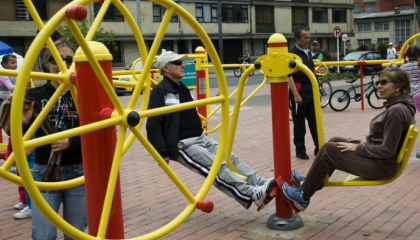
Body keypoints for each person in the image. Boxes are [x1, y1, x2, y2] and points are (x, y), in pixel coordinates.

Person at [146, 50, 276, 210]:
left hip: (200, 137)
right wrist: (162, 152)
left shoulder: (181, 87)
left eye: (182, 62)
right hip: (183, 144)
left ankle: (260, 182)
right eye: (178, 63)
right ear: (166, 68)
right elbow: (152, 124)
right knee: (217, 167)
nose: (182, 65)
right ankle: (250, 193)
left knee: (231, 158)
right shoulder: (160, 91)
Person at [282, 68, 416, 211]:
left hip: (382, 166)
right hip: (381, 161)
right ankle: (313, 182)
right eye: (378, 82)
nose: (379, 86)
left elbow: (387, 150)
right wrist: (367, 140)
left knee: (329, 150)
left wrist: (357, 148)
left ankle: (303, 197)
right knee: (335, 140)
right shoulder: (399, 106)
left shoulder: (396, 111)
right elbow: (387, 136)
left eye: (384, 82)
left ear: (398, 86)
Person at [22, 39, 86, 240]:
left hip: (78, 171)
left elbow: (98, 132)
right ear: (46, 63)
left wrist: (72, 141)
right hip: (45, 170)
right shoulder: (34, 94)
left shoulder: (84, 94)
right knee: (43, 234)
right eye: (56, 60)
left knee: (75, 233)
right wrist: (23, 123)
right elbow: (18, 132)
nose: (64, 65)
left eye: (69, 60)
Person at [288, 28, 319, 160]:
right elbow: (288, 76)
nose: (308, 40)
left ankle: (319, 147)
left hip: (310, 89)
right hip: (299, 89)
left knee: (314, 121)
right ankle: (300, 150)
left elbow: (312, 72)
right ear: (297, 39)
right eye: (305, 38)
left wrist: (317, 92)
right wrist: (295, 94)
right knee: (299, 122)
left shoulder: (308, 53)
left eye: (309, 37)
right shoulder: (291, 54)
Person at [400, 45, 420, 157]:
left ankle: (402, 144)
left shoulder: (403, 68)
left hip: (408, 97)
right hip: (419, 95)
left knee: (408, 121)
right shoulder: (419, 66)